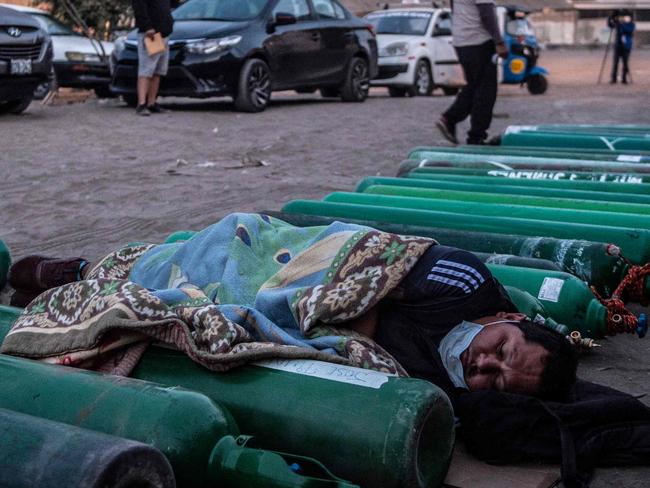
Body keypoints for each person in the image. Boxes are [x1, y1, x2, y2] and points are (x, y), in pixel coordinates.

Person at [7, 243, 578, 401]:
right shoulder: (466, 285)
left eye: (496, 379)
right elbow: (360, 271)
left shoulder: (457, 390)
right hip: (284, 264)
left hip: (295, 320)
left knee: (171, 305)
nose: (484, 364)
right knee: (185, 270)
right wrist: (356, 329)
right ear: (506, 318)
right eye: (502, 349)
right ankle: (71, 269)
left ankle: (75, 276)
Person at [436, 0, 509, 145]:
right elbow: (486, 14)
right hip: (479, 41)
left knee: (474, 87)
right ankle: (476, 136)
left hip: (461, 42)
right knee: (486, 92)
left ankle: (450, 119)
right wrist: (499, 42)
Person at [131, 0, 176, 115]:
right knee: (146, 70)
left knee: (158, 71)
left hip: (164, 34)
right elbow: (139, 8)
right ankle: (141, 104)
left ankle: (152, 103)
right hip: (151, 35)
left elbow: (173, 4)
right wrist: (147, 27)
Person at [608, 9, 635, 84]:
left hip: (626, 46)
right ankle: (614, 78)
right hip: (618, 45)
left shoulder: (631, 24)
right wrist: (610, 18)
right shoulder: (619, 24)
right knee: (615, 63)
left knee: (625, 63)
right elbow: (610, 25)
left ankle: (624, 78)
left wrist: (621, 24)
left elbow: (628, 30)